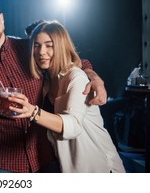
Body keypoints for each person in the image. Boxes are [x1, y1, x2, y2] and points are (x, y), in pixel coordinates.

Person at [0, 0, 108, 173]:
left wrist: (92, 76)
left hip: (46, 156)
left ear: (1, 17)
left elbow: (72, 60)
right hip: (3, 164)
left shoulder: (31, 48)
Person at [16, 20, 125, 172]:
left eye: (49, 45)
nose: (41, 52)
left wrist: (33, 112)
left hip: (99, 168)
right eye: (36, 45)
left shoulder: (76, 77)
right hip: (69, 167)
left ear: (60, 47)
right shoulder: (46, 80)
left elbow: (73, 126)